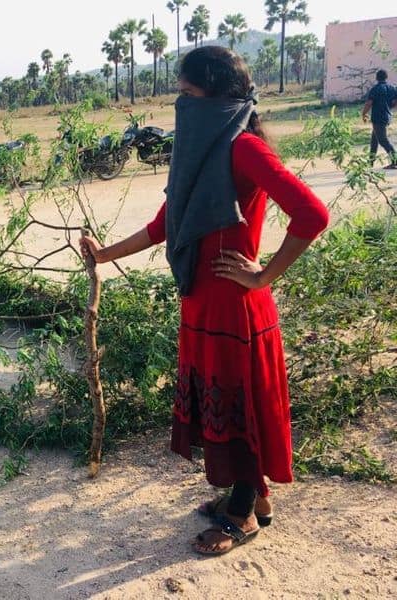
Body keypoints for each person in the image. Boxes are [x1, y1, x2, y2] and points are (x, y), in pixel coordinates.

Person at [80, 46, 329, 556]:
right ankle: (255, 498)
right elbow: (164, 225)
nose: (181, 103)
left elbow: (313, 214)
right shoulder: (200, 155)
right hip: (201, 304)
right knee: (226, 401)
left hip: (236, 308)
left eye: (188, 93)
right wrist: (103, 254)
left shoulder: (245, 149)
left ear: (215, 97)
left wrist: (264, 275)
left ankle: (242, 513)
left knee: (239, 405)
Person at [362, 69, 397, 168]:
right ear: (386, 77)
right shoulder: (392, 88)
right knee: (374, 140)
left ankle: (395, 161)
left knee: (382, 140)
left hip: (378, 118)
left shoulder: (375, 89)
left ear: (377, 78)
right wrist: (389, 107)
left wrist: (364, 114)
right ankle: (370, 162)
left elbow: (369, 103)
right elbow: (395, 101)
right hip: (386, 116)